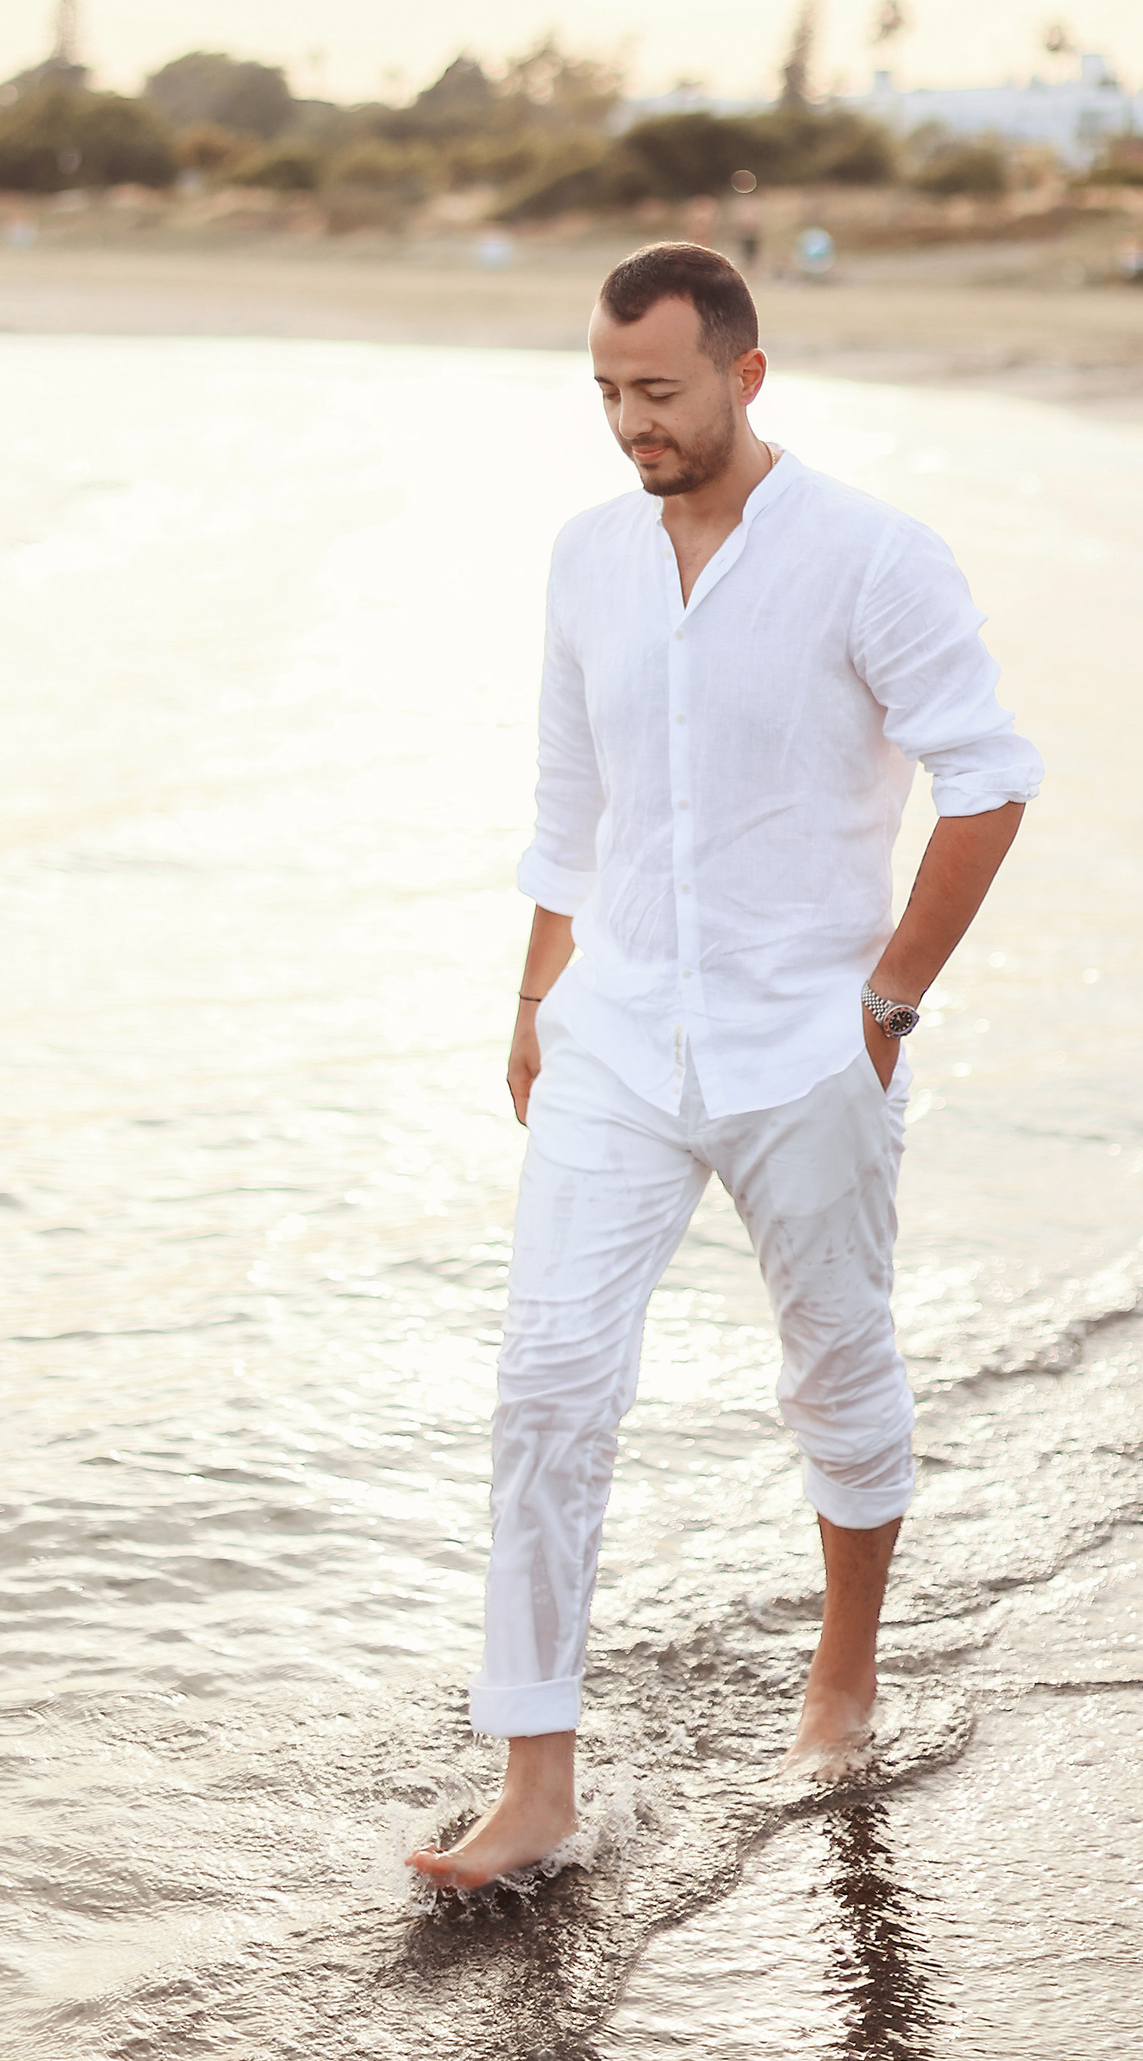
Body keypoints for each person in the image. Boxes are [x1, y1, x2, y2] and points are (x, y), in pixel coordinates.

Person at [407, 243, 1041, 1891]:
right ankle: (534, 1783)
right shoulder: (587, 557)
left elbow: (987, 781)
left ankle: (844, 1676)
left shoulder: (872, 558)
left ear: (745, 376)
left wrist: (887, 1005)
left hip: (805, 1039)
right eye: (608, 391)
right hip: (614, 1032)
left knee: (836, 1362)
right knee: (549, 1379)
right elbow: (569, 810)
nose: (634, 422)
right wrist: (535, 1002)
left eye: (661, 391)